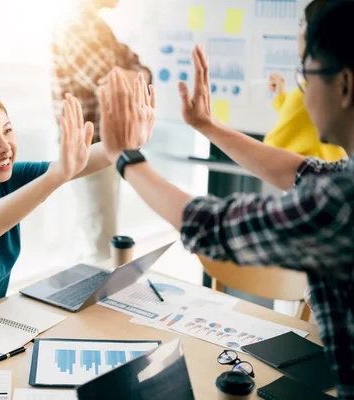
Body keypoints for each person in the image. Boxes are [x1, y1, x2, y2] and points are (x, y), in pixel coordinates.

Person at [97, 1, 354, 396]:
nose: (301, 93)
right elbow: (299, 171)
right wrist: (208, 126)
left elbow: (211, 226)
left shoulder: (340, 201)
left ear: (345, 85)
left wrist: (125, 157)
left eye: (306, 74)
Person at [0, 82, 155, 327]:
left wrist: (127, 143)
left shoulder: (7, 180)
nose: (5, 147)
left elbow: (79, 164)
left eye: (8, 130)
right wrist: (57, 175)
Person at [50, 0, 152, 261]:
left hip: (105, 145)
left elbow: (144, 70)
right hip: (87, 149)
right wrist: (130, 75)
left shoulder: (97, 26)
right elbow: (112, 83)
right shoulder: (75, 27)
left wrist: (132, 75)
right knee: (101, 247)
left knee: (100, 237)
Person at [265, 0, 346, 161]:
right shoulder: (329, 82)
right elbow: (306, 122)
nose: (297, 33)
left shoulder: (312, 90)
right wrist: (281, 99)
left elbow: (269, 151)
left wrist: (209, 125)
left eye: (301, 24)